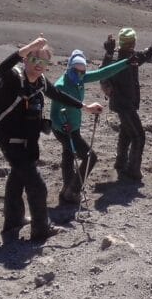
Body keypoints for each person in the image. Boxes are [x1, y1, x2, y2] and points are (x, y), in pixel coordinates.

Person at [0, 37, 102, 240]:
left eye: (44, 62)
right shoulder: (13, 78)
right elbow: (3, 67)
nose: (39, 65)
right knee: (38, 186)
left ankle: (13, 221)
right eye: (34, 59)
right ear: (25, 60)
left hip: (26, 138)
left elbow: (57, 94)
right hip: (8, 138)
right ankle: (41, 230)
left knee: (17, 178)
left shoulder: (39, 82)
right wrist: (29, 47)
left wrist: (85, 107)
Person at [50, 49, 127, 204]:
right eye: (76, 71)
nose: (79, 75)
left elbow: (103, 73)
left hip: (74, 128)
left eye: (82, 72)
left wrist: (126, 63)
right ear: (69, 68)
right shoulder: (61, 85)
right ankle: (74, 190)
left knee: (68, 155)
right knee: (90, 157)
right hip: (64, 130)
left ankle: (67, 189)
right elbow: (53, 115)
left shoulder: (80, 79)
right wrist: (62, 125)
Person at [102, 27, 152, 182]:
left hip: (125, 104)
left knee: (126, 133)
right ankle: (133, 170)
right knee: (138, 136)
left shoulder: (129, 58)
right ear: (133, 42)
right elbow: (103, 73)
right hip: (124, 105)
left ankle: (120, 164)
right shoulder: (125, 59)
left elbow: (148, 52)